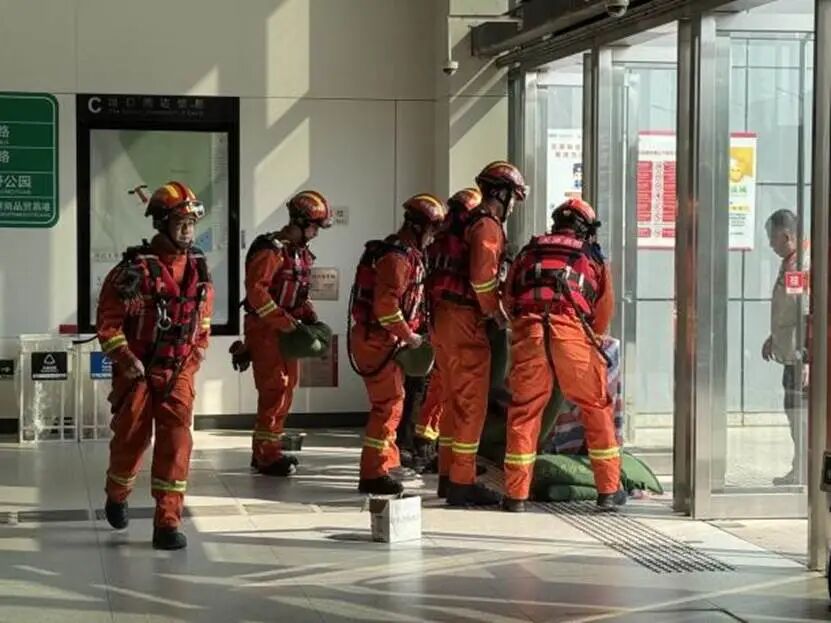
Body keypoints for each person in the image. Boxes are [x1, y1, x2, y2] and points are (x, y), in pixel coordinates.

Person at [97, 181, 214, 550]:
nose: (188, 230)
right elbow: (108, 324)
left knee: (177, 444)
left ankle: (167, 522)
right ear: (162, 224)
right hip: (138, 372)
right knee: (130, 441)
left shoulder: (198, 268)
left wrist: (194, 357)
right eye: (180, 222)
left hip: (179, 370)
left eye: (191, 223)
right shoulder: (133, 272)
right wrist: (126, 359)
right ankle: (117, 494)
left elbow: (203, 322)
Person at [502, 198, 624, 512]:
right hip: (570, 334)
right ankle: (608, 491)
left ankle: (516, 496)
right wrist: (589, 337)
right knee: (595, 407)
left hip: (530, 333)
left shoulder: (529, 251)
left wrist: (524, 325)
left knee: (525, 412)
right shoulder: (592, 256)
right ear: (586, 229)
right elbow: (603, 311)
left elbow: (509, 297)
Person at [429, 162, 527, 507]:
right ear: (502, 194)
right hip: (466, 322)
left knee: (452, 401)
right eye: (513, 198)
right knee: (472, 405)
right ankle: (462, 481)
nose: (513, 206)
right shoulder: (486, 225)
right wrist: (496, 314)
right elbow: (483, 279)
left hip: (443, 321)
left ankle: (447, 475)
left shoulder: (463, 224)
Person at [348, 194, 446, 494]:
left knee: (393, 404)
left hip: (381, 339)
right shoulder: (397, 259)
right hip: (379, 340)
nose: (433, 237)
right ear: (418, 227)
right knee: (387, 407)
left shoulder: (404, 254)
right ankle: (373, 473)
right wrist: (409, 336)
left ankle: (386, 466)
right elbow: (386, 308)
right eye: (432, 230)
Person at [242, 191, 332, 476]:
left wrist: (308, 316)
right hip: (266, 330)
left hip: (287, 329)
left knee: (286, 390)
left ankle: (268, 450)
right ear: (300, 222)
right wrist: (284, 322)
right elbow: (257, 293)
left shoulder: (299, 253)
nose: (316, 233)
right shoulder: (271, 250)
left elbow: (297, 292)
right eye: (315, 227)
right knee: (274, 391)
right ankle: (266, 456)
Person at [762, 209, 809, 486]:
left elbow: (807, 314)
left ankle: (804, 469)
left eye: (773, 238)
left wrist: (807, 358)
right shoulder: (790, 262)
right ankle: (800, 467)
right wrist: (774, 337)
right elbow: (788, 309)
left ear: (787, 236)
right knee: (794, 413)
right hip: (791, 351)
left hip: (800, 356)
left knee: (800, 415)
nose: (770, 244)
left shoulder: (802, 265)